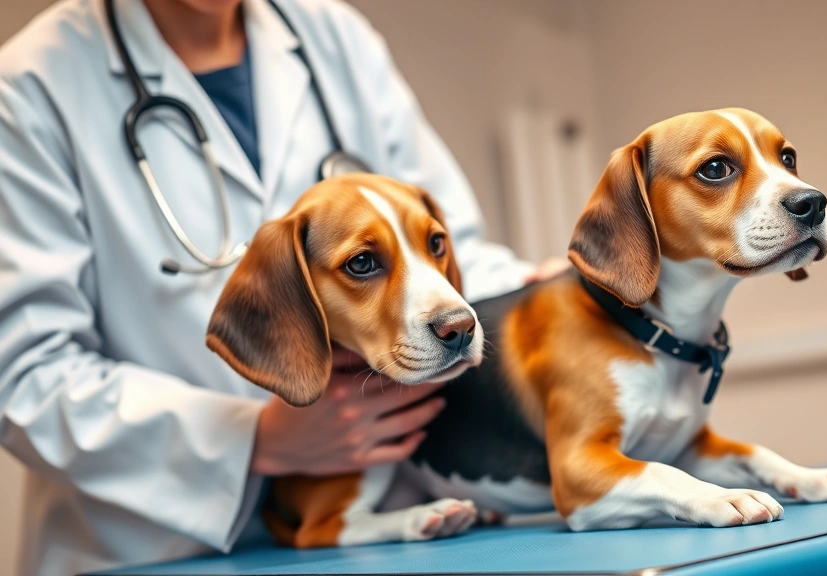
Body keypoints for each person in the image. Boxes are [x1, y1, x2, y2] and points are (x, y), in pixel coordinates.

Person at [0, 0, 567, 573]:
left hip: (376, 538)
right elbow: (24, 373)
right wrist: (251, 440)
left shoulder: (331, 33)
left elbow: (440, 250)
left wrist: (545, 293)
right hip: (152, 550)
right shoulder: (32, 84)